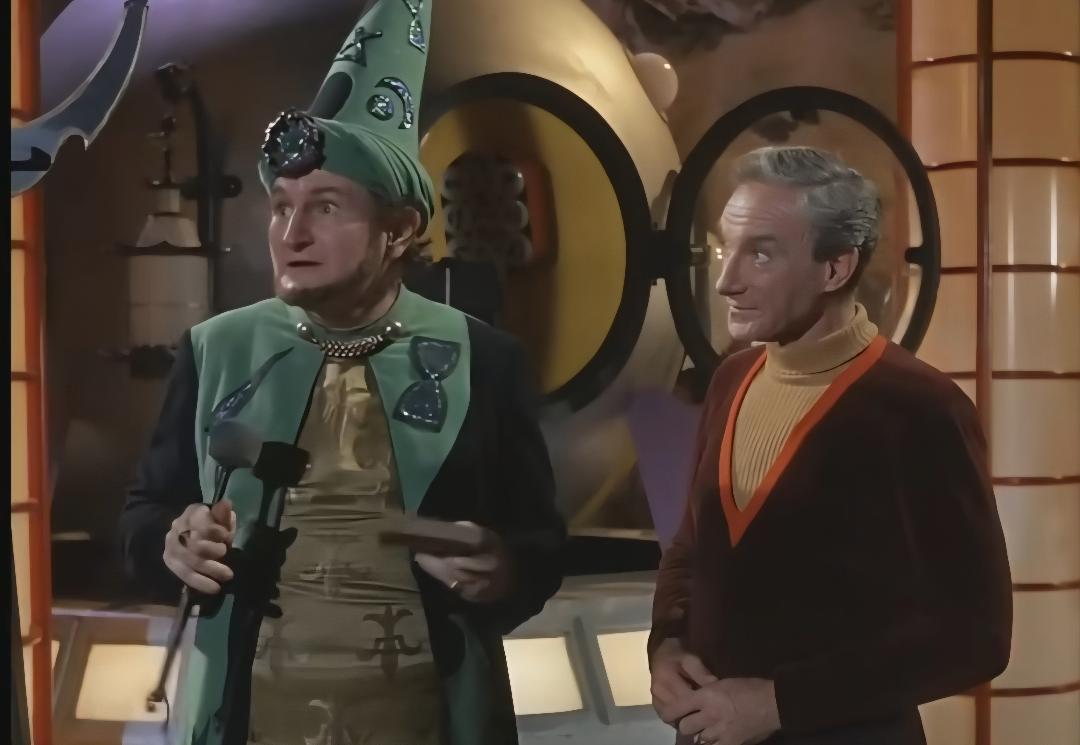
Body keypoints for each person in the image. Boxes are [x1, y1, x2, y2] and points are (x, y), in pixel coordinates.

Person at [117, 2, 566, 744]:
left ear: (399, 230)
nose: (291, 234)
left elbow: (541, 544)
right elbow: (144, 514)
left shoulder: (484, 360)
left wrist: (506, 568)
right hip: (252, 719)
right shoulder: (216, 350)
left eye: (324, 207)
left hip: (427, 720)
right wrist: (172, 540)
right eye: (281, 207)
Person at [648, 146, 1012, 745]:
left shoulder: (920, 409)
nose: (725, 280)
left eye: (760, 253)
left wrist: (780, 703)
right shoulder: (732, 379)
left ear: (836, 268)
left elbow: (976, 636)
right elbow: (691, 545)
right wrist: (666, 645)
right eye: (726, 248)